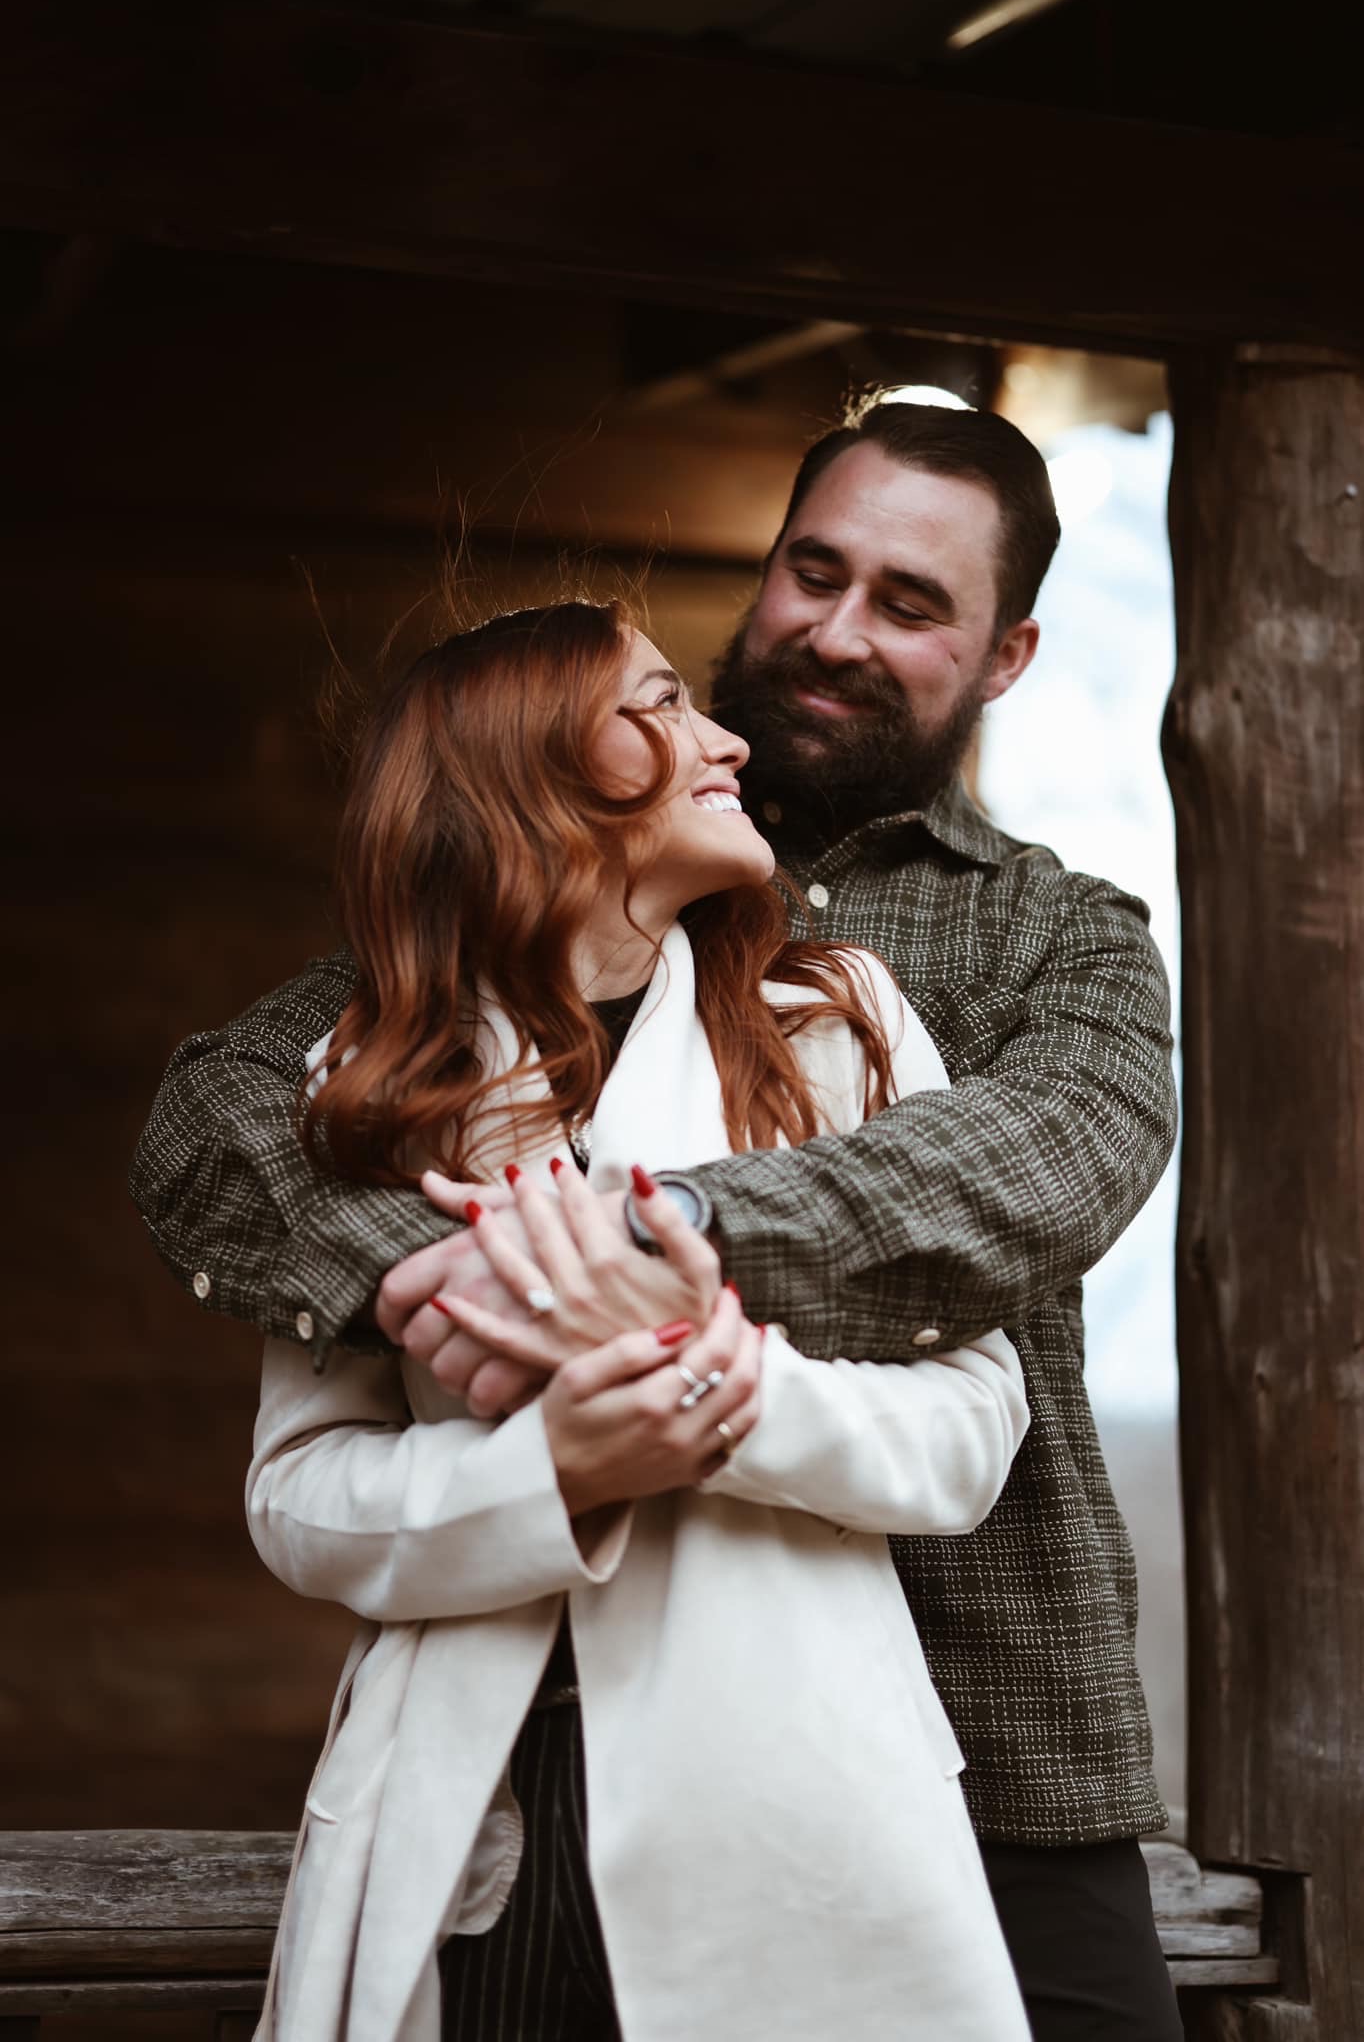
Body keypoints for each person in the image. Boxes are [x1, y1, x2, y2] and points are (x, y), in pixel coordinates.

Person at [131, 398, 1182, 2039]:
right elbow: (225, 1116)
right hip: (530, 1724)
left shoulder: (1051, 939)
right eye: (813, 572)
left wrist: (636, 1255)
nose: (837, 631)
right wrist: (466, 1286)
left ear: (1007, 657)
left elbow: (1030, 1171)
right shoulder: (471, 976)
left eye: (909, 604)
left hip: (999, 1713)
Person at [244, 597, 1032, 2041]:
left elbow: (975, 1426)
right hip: (472, 1827)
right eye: (659, 705)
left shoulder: (835, 1022)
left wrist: (732, 1400)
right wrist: (552, 1477)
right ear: (525, 770)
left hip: (787, 1809)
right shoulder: (365, 1075)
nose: (726, 740)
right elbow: (298, 1495)